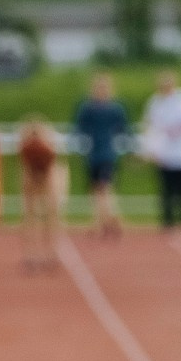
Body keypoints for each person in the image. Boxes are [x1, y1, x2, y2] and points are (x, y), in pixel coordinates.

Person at [140, 69, 181, 229]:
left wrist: (178, 132)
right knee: (166, 188)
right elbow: (149, 126)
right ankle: (168, 219)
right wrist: (150, 148)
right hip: (164, 153)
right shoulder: (155, 102)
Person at [71, 73, 130, 239]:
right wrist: (77, 147)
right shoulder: (87, 108)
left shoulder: (116, 109)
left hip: (107, 155)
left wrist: (129, 150)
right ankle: (103, 221)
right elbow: (78, 129)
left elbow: (125, 130)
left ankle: (108, 220)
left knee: (105, 187)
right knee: (95, 189)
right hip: (92, 155)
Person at [15, 115, 64, 270]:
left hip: (48, 176)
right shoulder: (26, 149)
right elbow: (27, 173)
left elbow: (51, 173)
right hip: (32, 177)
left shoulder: (48, 150)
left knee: (51, 214)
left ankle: (50, 252)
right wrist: (31, 186)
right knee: (29, 216)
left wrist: (51, 193)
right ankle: (30, 254)